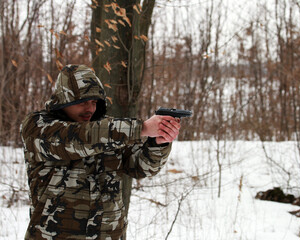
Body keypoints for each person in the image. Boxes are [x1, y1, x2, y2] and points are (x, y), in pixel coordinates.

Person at [20, 64, 181, 239]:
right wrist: (140, 128)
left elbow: (142, 167)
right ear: (64, 100)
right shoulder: (37, 126)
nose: (89, 109)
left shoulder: (110, 131)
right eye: (82, 102)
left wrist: (157, 143)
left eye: (94, 102)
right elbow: (79, 138)